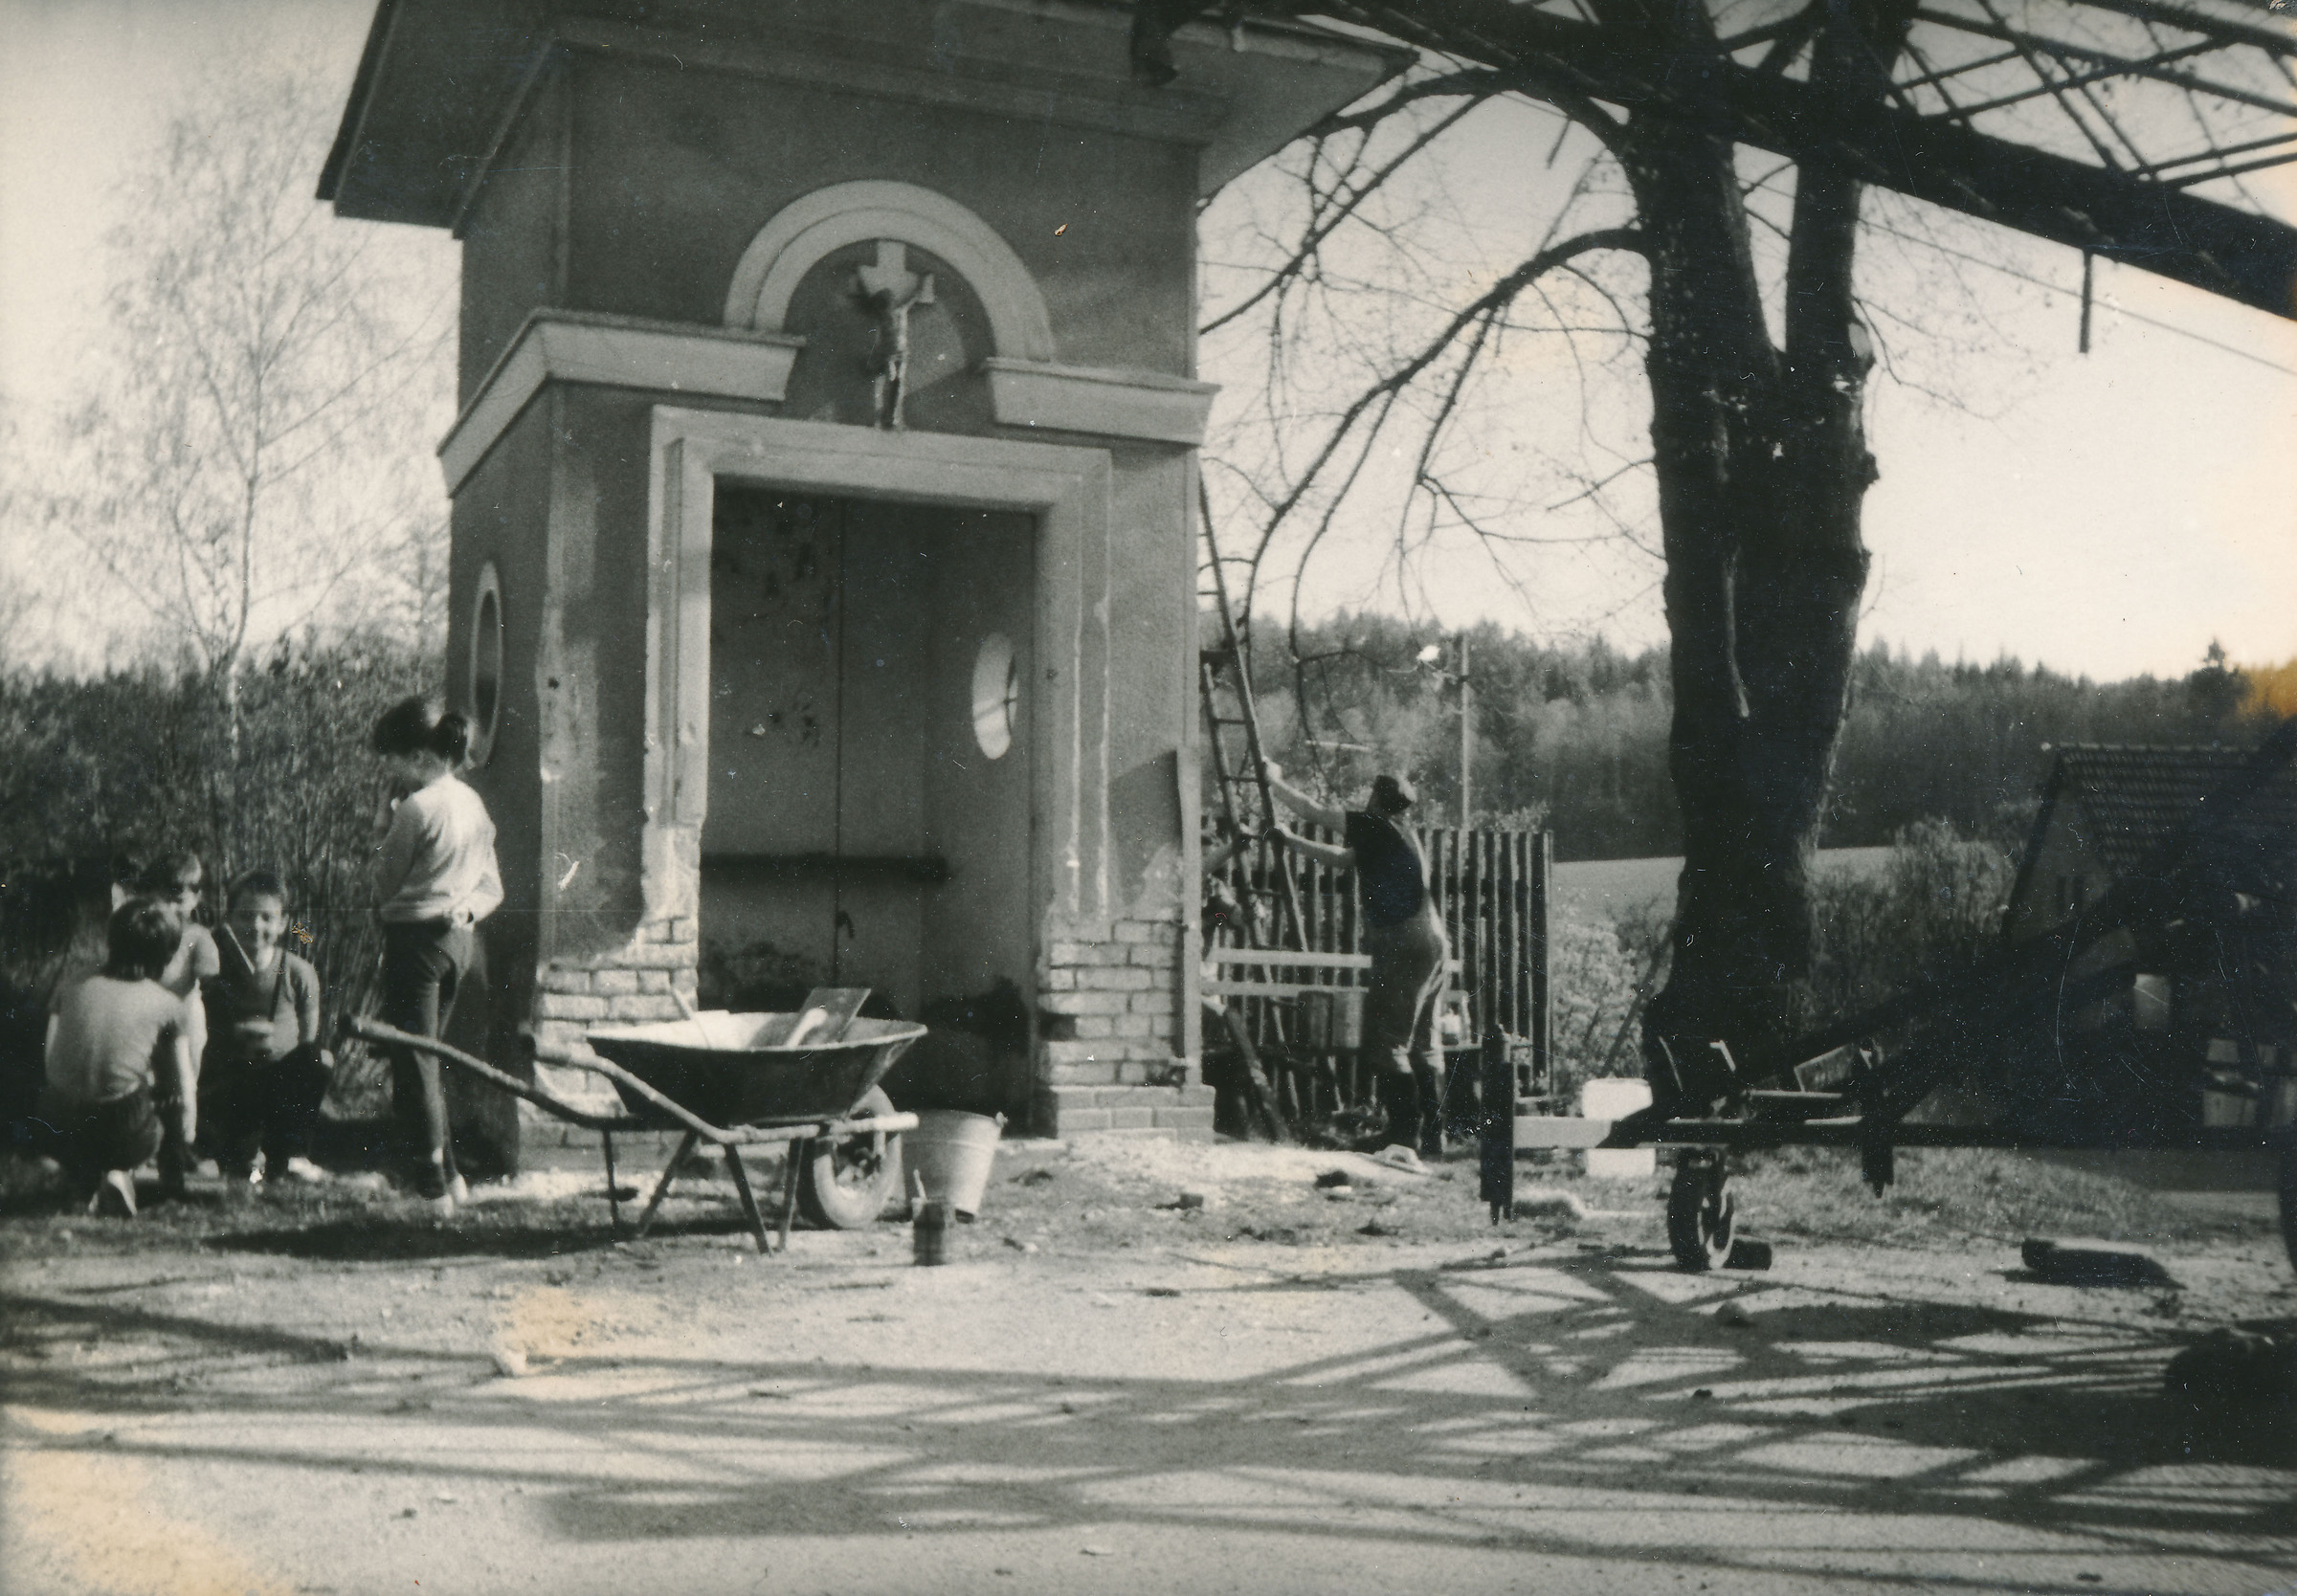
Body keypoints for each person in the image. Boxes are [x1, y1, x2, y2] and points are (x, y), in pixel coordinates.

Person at [1263, 765, 1449, 1160]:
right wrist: (1292, 841)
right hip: (1434, 943)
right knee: (1423, 1043)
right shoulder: (1401, 833)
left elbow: (1313, 811)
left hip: (1404, 942)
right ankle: (1434, 1138)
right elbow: (1344, 859)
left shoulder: (1373, 824)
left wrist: (1273, 781)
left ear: (1376, 797)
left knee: (1389, 1041)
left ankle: (1403, 1138)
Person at [371, 698, 503, 1213]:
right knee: (427, 1060)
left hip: (414, 943)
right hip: (456, 944)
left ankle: (432, 1188)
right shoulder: (473, 804)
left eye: (394, 760)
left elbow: (383, 884)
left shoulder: (417, 809)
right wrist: (464, 911)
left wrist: (381, 823)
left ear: (418, 756)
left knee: (416, 1063)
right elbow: (492, 887)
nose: (392, 772)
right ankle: (450, 1176)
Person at [42, 900, 195, 1217]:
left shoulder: (74, 982)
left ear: (111, 941)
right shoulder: (166, 1003)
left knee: (99, 1083)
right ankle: (135, 1174)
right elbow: (182, 1081)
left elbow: (52, 1056)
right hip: (123, 1130)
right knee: (165, 1095)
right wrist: (186, 1129)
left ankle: (81, 1176)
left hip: (56, 1120)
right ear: (167, 956)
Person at [200, 869, 330, 1191]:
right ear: (229, 919)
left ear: (283, 923)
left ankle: (293, 1153)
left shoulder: (298, 972)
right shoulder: (213, 969)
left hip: (277, 1083)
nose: (256, 926)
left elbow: (308, 1043)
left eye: (267, 918)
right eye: (245, 916)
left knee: (319, 1059)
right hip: (230, 1083)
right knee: (235, 1161)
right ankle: (234, 1150)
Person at [135, 851, 220, 1195]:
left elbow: (209, 975)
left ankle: (183, 1143)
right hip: (145, 1011)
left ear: (196, 899)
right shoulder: (142, 931)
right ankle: (144, 1146)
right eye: (167, 898)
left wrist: (207, 970)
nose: (174, 908)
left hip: (183, 1011)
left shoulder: (197, 935)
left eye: (182, 900)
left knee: (185, 1081)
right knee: (145, 1078)